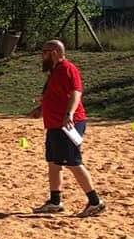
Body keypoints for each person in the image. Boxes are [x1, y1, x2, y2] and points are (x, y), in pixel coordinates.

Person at [29, 39, 106, 217]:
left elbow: (76, 93)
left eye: (44, 52)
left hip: (68, 124)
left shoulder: (67, 68)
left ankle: (95, 202)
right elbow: (57, 95)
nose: (42, 56)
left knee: (73, 162)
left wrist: (69, 114)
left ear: (54, 52)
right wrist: (41, 109)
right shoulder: (55, 70)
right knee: (54, 162)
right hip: (55, 124)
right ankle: (55, 202)